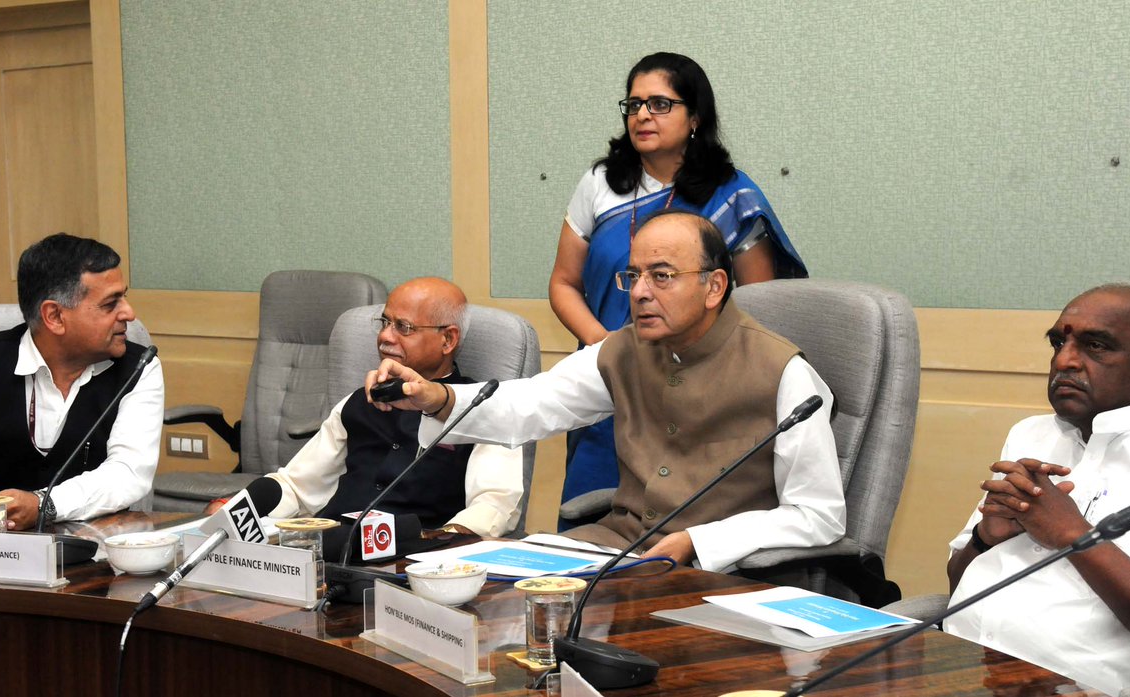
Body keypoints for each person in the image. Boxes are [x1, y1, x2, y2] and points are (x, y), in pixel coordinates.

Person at [370, 212, 843, 573]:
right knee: (467, 582)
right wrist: (437, 398)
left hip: (716, 574)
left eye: (661, 276)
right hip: (613, 552)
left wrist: (701, 542)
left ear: (714, 286)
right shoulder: (623, 350)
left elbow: (818, 515)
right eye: (633, 276)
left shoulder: (784, 373)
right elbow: (530, 405)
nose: (638, 292)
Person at [548, 52, 808, 529]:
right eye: (634, 104)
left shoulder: (732, 195)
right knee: (592, 539)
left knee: (674, 535)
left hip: (698, 397)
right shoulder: (599, 184)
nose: (643, 115)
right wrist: (605, 347)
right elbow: (564, 283)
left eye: (661, 104)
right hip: (610, 379)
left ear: (695, 117)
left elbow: (759, 305)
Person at [213, 277, 523, 538]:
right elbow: (295, 486)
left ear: (447, 340)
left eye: (404, 327)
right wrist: (232, 515)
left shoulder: (481, 408)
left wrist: (440, 543)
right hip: (332, 553)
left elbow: (494, 505)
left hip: (414, 566)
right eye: (385, 322)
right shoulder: (359, 400)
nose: (386, 337)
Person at [945, 284, 1130, 695]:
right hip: (965, 663)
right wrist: (985, 538)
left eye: (1096, 346)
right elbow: (956, 582)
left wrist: (1074, 534)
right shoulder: (1031, 435)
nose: (1064, 361)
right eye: (1058, 342)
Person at [0, 233, 164, 530]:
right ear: (54, 316)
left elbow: (127, 473)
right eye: (110, 304)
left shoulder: (139, 368)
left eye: (124, 297)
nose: (129, 313)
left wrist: (45, 505)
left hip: (90, 555)